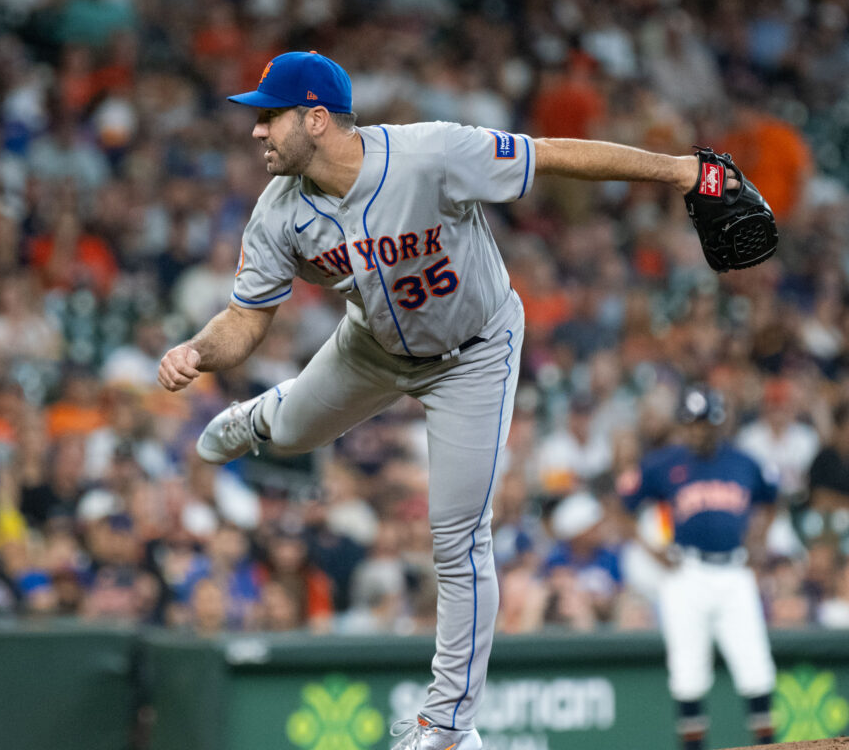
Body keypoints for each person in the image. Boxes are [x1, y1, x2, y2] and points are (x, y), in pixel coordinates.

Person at [157, 51, 715, 750]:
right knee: (293, 435)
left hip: (474, 353)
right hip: (372, 346)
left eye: (270, 115)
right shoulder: (278, 213)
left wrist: (684, 171)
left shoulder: (431, 154)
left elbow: (551, 156)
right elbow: (245, 318)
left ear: (317, 118)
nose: (256, 130)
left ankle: (447, 727)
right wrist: (197, 352)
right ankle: (264, 415)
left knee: (457, 539)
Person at [619, 385, 778, 750]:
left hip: (735, 572)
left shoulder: (743, 462)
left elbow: (772, 500)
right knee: (688, 675)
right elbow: (623, 502)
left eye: (704, 422)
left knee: (756, 669)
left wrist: (760, 539)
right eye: (691, 423)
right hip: (686, 574)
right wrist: (650, 549)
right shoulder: (665, 462)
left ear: (718, 424)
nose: (698, 430)